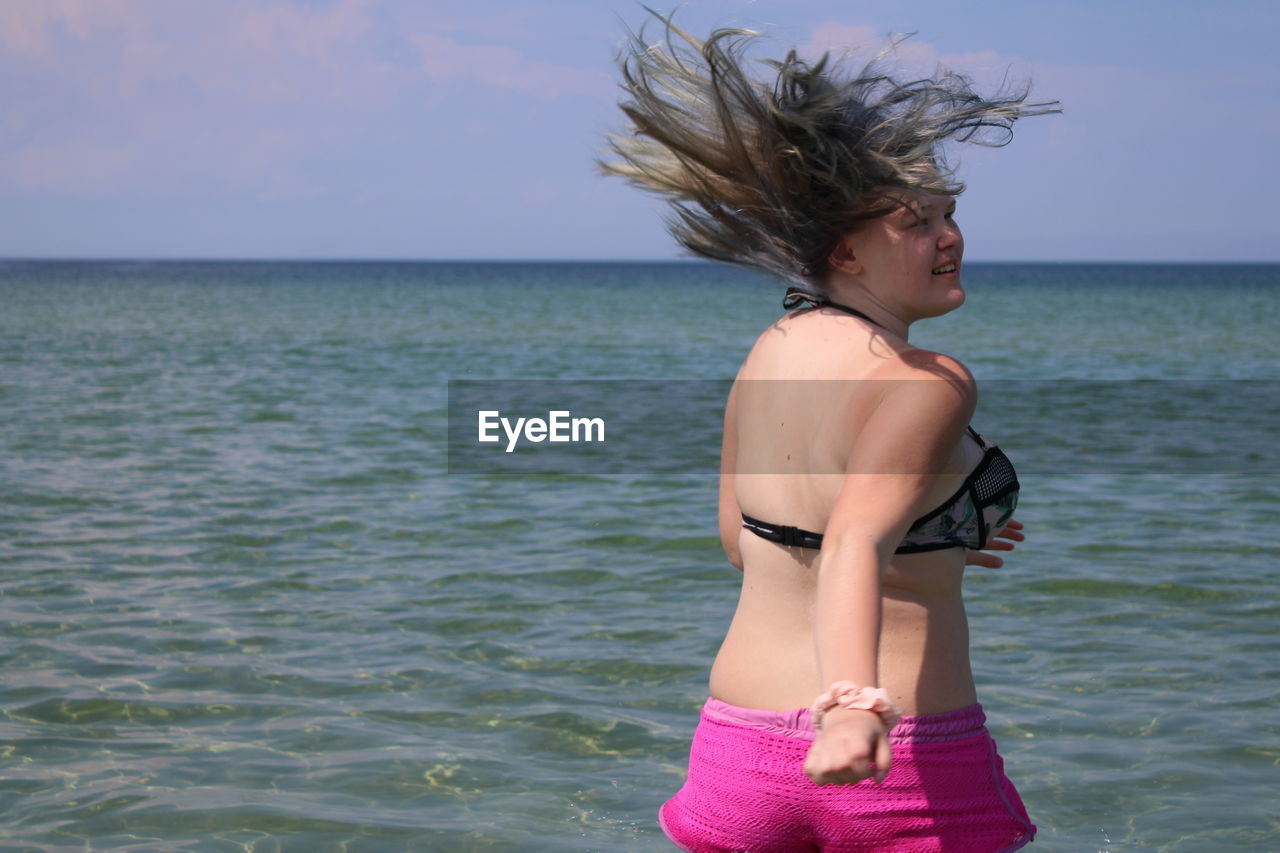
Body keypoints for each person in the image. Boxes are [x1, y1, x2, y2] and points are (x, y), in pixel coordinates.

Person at [601, 14, 1058, 853]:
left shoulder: (770, 352)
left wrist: (936, 538)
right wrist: (851, 707)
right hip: (896, 753)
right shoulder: (929, 379)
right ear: (844, 253)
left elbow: (745, 542)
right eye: (915, 221)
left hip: (736, 753)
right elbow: (852, 542)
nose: (950, 236)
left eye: (948, 213)